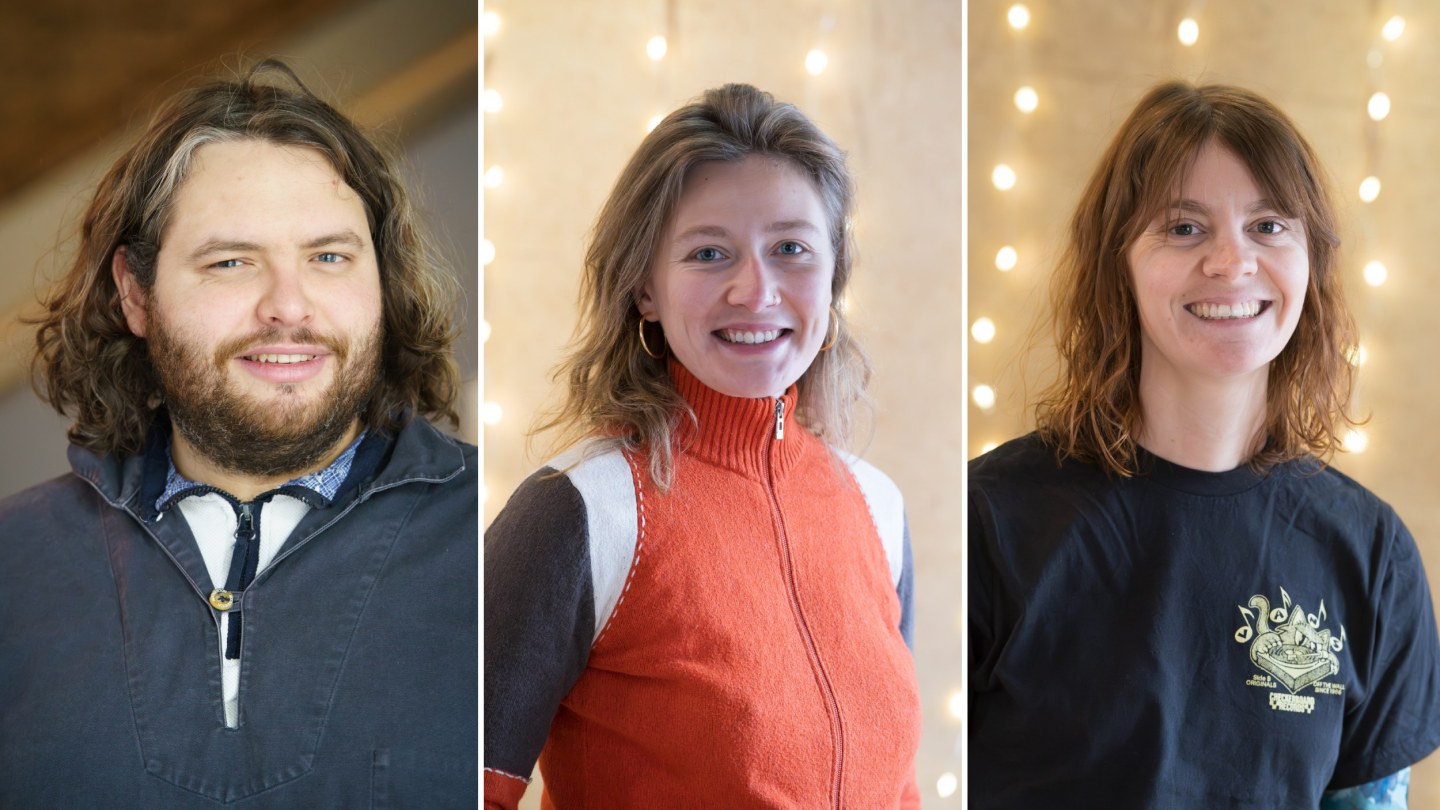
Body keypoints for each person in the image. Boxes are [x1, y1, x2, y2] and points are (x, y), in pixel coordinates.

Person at [0, 60, 477, 807]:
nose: (288, 307)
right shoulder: (13, 562)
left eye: (328, 257)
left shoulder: (497, 534)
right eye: (231, 262)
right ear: (135, 293)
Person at [968, 80, 1440, 808]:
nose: (1231, 261)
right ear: (1116, 263)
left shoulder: (1372, 554)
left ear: (1310, 260)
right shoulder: (988, 521)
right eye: (1184, 228)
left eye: (1270, 226)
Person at [484, 83, 921, 808]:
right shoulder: (580, 512)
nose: (756, 292)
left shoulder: (879, 508)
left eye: (791, 249)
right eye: (709, 253)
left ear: (834, 273)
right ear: (644, 288)